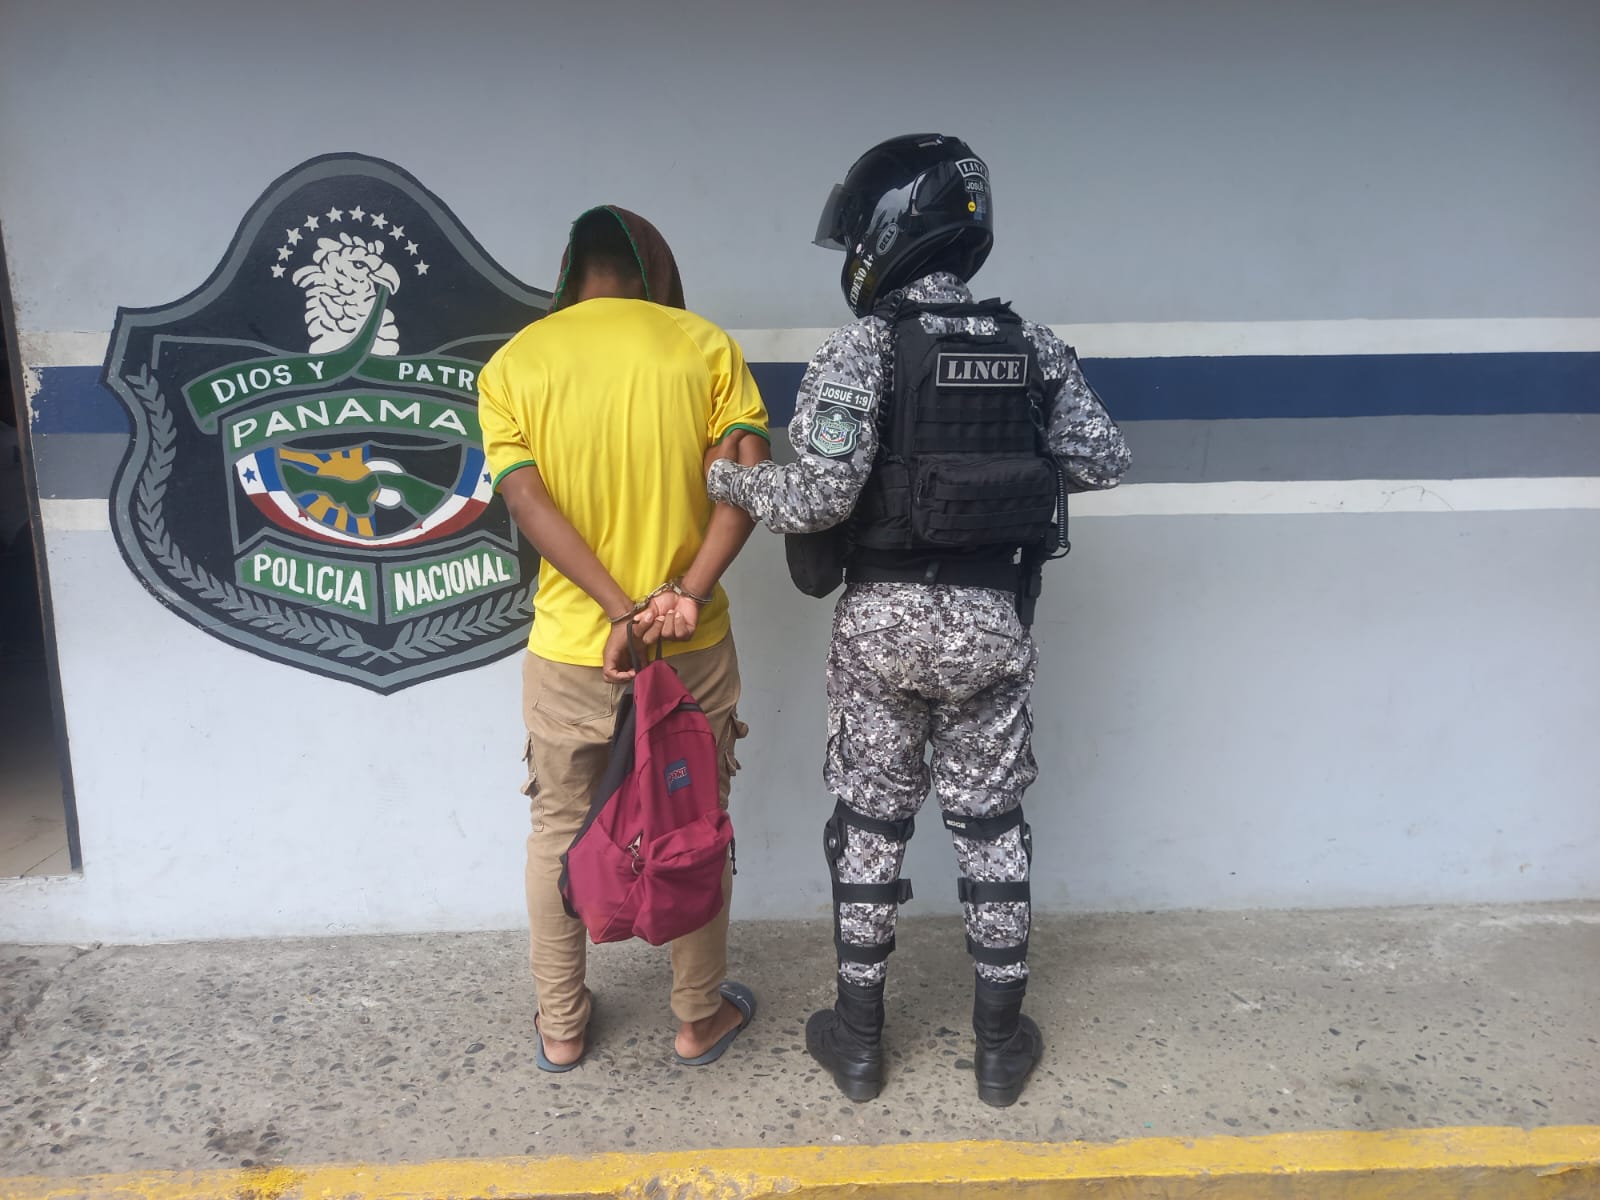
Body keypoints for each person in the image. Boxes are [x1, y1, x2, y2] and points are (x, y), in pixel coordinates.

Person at [706, 135, 1131, 1106]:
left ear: (886, 233)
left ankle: (858, 1043)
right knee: (991, 828)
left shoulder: (863, 348)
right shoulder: (1034, 347)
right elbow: (1104, 459)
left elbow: (816, 499)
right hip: (992, 625)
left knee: (869, 824)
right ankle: (999, 1047)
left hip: (883, 630)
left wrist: (729, 480)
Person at [478, 205, 771, 1072]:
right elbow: (746, 485)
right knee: (695, 820)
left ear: (570, 274)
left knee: (558, 829)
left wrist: (615, 610)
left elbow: (526, 500)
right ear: (658, 271)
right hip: (689, 643)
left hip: (572, 648)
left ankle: (563, 1027)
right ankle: (697, 1018)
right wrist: (684, 593)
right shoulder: (705, 347)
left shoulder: (515, 363)